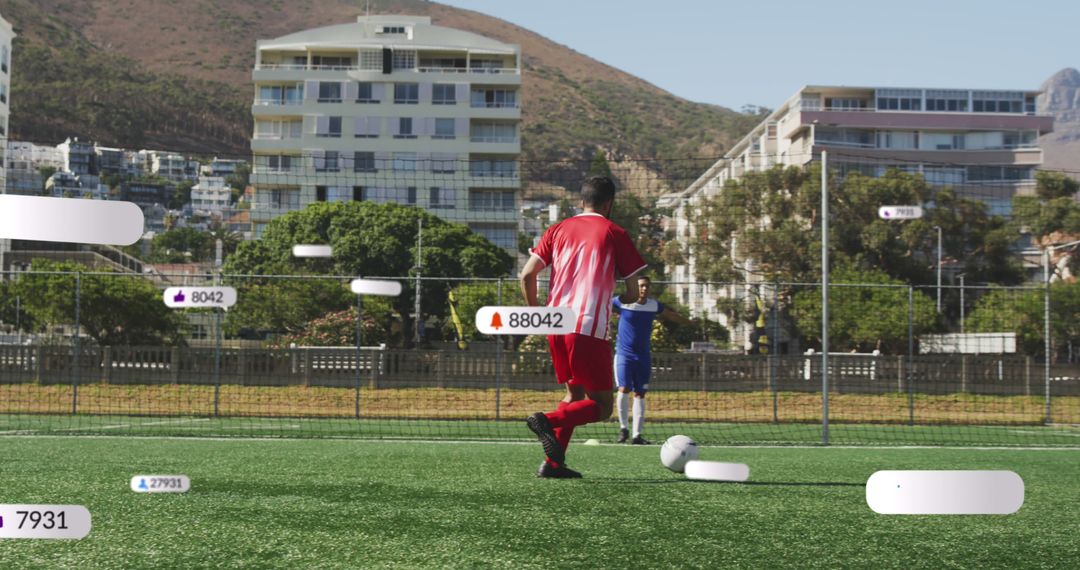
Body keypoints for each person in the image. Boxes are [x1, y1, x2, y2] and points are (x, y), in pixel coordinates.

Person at [519, 176, 647, 478]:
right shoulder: (615, 232)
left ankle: (552, 465)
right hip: (588, 327)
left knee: (574, 397)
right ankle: (546, 421)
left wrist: (536, 314)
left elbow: (526, 275)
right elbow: (632, 291)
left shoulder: (558, 229)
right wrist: (622, 296)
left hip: (556, 325)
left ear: (581, 202)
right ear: (609, 204)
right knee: (602, 407)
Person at [611, 275, 694, 444]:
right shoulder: (621, 302)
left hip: (643, 356)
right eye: (641, 286)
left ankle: (637, 435)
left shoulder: (653, 305)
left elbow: (670, 315)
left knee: (640, 393)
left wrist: (690, 323)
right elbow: (601, 305)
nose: (644, 289)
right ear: (635, 287)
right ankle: (623, 429)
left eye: (647, 286)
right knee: (624, 388)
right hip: (623, 355)